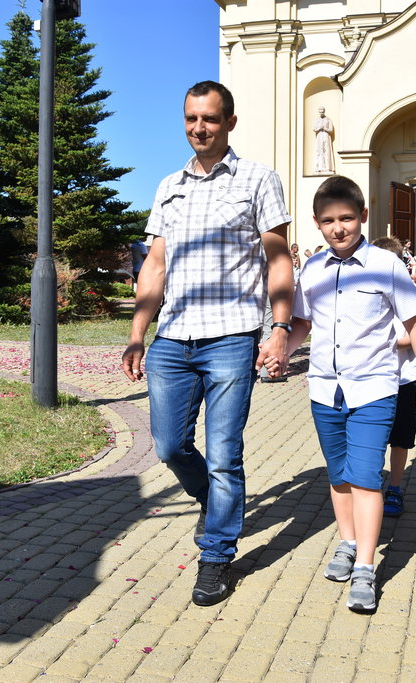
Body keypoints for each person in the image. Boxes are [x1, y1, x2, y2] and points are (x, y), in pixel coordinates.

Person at [121, 81, 294, 606]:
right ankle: (210, 500)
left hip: (231, 337)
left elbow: (279, 258)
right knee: (169, 445)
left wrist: (280, 328)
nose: (200, 128)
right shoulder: (169, 186)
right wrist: (138, 333)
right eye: (192, 119)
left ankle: (216, 555)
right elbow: (155, 265)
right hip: (173, 337)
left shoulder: (258, 179)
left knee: (223, 455)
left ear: (229, 123)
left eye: (211, 119)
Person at [271, 176, 416, 612]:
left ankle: (365, 566)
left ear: (363, 216)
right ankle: (347, 542)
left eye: (346, 218)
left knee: (365, 476)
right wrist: (281, 350)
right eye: (328, 221)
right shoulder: (312, 269)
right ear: (316, 223)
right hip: (325, 388)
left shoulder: (386, 264)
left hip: (374, 389)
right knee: (339, 474)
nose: (338, 228)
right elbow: (303, 322)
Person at [372, 236, 416, 519]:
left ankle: (394, 486)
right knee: (373, 438)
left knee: (401, 438)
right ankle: (370, 486)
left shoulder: (409, 291)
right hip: (373, 378)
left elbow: (413, 335)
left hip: (403, 378)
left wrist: (379, 342)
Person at [313, 107, 335, 174]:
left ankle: (328, 167)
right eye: (320, 112)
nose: (321, 113)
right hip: (319, 136)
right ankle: (319, 167)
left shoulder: (328, 120)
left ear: (324, 112)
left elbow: (331, 130)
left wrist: (325, 128)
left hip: (326, 136)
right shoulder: (317, 120)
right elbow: (314, 129)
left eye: (322, 112)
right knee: (319, 151)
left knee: (326, 151)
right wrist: (319, 128)